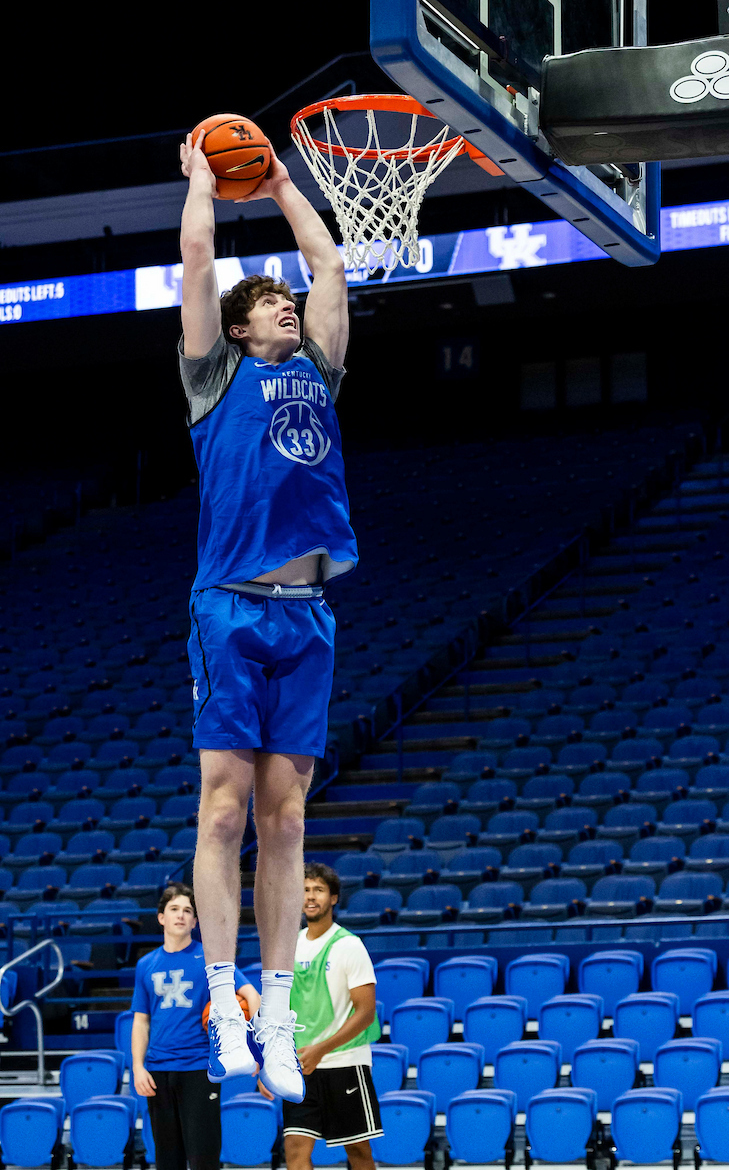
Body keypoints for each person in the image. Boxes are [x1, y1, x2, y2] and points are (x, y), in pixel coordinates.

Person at [177, 127, 357, 1100]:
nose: (288, 303)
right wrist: (204, 179)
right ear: (241, 330)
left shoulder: (318, 373)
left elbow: (328, 263)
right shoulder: (213, 376)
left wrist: (283, 182)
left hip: (306, 614)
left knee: (286, 824)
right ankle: (224, 1005)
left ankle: (278, 1020)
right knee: (223, 808)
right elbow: (199, 257)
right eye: (270, 304)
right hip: (230, 610)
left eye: (289, 301)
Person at [130, 883, 262, 1170]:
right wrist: (138, 1067)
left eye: (187, 911)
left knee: (204, 1159)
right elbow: (141, 1020)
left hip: (199, 1068)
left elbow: (252, 995)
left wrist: (254, 1048)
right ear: (161, 917)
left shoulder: (211, 959)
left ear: (195, 921)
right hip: (158, 1070)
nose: (180, 915)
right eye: (174, 909)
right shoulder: (145, 965)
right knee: (167, 1161)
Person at [277, 863, 383, 1170]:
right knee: (295, 1150)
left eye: (319, 890)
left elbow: (366, 1012)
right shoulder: (288, 945)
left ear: (333, 898)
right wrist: (273, 1060)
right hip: (301, 1065)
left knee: (358, 1152)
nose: (310, 897)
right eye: (305, 890)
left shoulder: (349, 945)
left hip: (345, 1062)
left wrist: (321, 1049)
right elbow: (279, 1010)